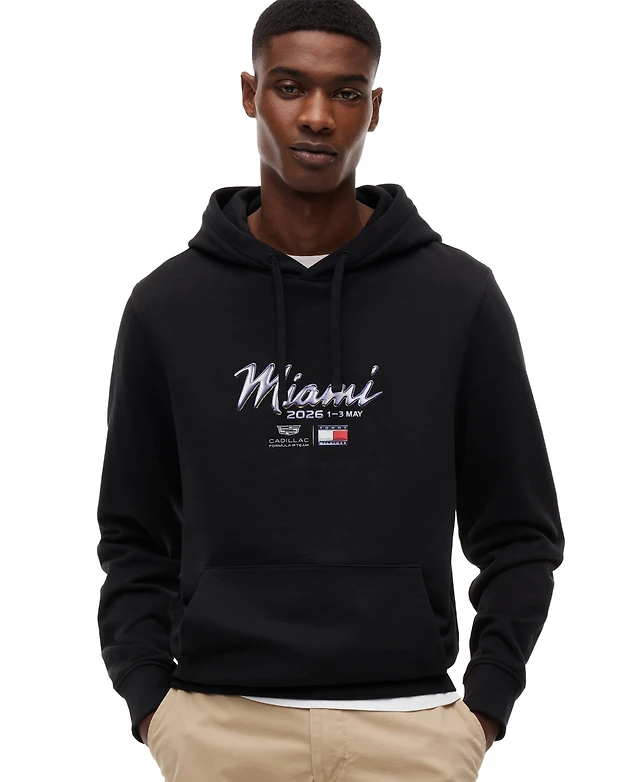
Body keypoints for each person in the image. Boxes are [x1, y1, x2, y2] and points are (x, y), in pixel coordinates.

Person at [95, 0, 565, 779]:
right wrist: (151, 703)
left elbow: (520, 532)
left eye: (346, 93)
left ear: (374, 108)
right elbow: (133, 535)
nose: (317, 116)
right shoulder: (167, 306)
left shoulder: (458, 298)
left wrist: (486, 704)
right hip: (221, 726)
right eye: (290, 87)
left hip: (411, 731)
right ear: (250, 93)